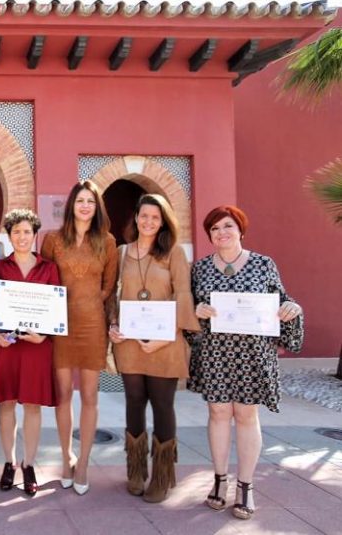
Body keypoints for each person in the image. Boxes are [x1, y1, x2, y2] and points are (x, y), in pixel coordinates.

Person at [188, 205, 304, 520]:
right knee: (217, 413)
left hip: (252, 353)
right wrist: (197, 311)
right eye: (214, 228)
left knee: (246, 415)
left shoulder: (264, 264)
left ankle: (246, 486)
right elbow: (189, 308)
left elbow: (283, 301)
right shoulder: (200, 268)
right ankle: (220, 479)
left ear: (240, 229)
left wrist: (292, 309)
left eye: (227, 226)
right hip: (215, 353)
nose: (221, 232)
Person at [107, 194, 200, 503]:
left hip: (165, 342)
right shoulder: (122, 252)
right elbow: (114, 296)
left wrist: (168, 335)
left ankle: (161, 477)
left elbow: (183, 295)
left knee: (162, 405)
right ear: (136, 217)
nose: (148, 222)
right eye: (144, 215)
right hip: (130, 343)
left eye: (155, 217)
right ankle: (135, 470)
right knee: (134, 402)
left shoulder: (174, 253)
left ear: (163, 222)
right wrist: (113, 324)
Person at [40, 180, 118, 495]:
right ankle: (66, 457)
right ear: (71, 205)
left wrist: (107, 318)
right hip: (60, 327)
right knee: (62, 395)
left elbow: (109, 287)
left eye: (90, 201)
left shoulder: (108, 242)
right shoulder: (53, 240)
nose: (85, 206)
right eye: (80, 200)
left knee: (89, 396)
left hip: (92, 327)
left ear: (97, 207)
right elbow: (43, 282)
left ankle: (83, 462)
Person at [0, 209, 60, 497]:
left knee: (32, 406)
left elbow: (56, 307)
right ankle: (9, 462)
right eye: (16, 231)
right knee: (6, 403)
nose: (22, 236)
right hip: (7, 346)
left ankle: (28, 464)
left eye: (27, 231)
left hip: (37, 347)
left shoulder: (48, 268)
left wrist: (45, 334)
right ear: (9, 235)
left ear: (35, 234)